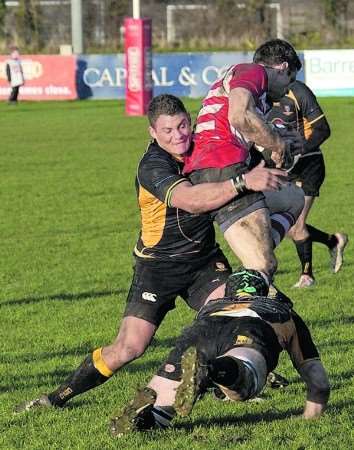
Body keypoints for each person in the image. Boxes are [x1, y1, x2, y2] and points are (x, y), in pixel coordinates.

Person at [15, 94, 288, 413]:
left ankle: (225, 378)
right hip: (158, 269)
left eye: (183, 125)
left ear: (191, 120)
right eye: (168, 130)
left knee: (239, 311)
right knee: (129, 347)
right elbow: (191, 200)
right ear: (153, 133)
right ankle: (55, 398)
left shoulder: (202, 145)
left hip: (203, 263)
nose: (178, 136)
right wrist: (243, 182)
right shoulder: (153, 165)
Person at [110, 268, 330, 436]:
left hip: (202, 328)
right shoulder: (282, 310)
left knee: (163, 411)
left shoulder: (213, 304)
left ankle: (141, 419)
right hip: (252, 326)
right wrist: (311, 421)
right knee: (243, 386)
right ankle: (212, 369)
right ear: (264, 291)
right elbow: (318, 382)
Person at [183, 39, 305, 284]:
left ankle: (253, 273)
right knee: (261, 265)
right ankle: (241, 307)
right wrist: (278, 144)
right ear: (281, 67)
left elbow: (248, 130)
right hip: (222, 168)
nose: (287, 90)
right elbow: (239, 116)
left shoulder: (257, 97)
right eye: (289, 80)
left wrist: (275, 147)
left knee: (293, 197)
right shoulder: (254, 72)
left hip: (217, 167)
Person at [262, 77, 348, 287]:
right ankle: (333, 241)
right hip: (286, 166)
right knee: (288, 224)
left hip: (310, 165)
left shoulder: (296, 91)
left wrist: (299, 151)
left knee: (297, 225)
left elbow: (322, 130)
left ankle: (307, 276)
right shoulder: (261, 99)